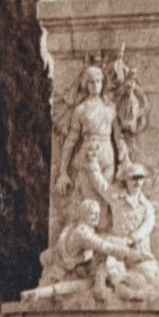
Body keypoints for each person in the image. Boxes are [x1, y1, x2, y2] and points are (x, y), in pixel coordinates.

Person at [54, 65, 126, 221]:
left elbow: (118, 136)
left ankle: (104, 234)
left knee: (106, 195)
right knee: (89, 199)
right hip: (87, 153)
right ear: (86, 85)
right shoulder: (80, 110)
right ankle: (88, 236)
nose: (96, 86)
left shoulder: (110, 108)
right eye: (92, 82)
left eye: (99, 81)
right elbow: (71, 141)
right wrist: (63, 172)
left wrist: (125, 160)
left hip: (107, 153)